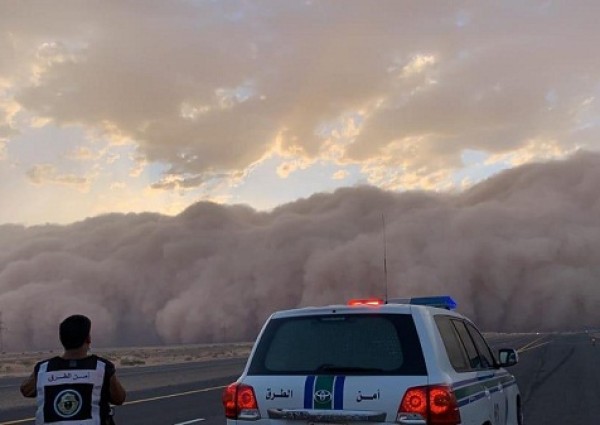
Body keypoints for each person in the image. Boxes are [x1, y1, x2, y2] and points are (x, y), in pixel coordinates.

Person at [20, 314, 126, 425]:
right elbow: (119, 398)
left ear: (62, 340)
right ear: (88, 339)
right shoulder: (102, 367)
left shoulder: (43, 369)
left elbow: (26, 390)